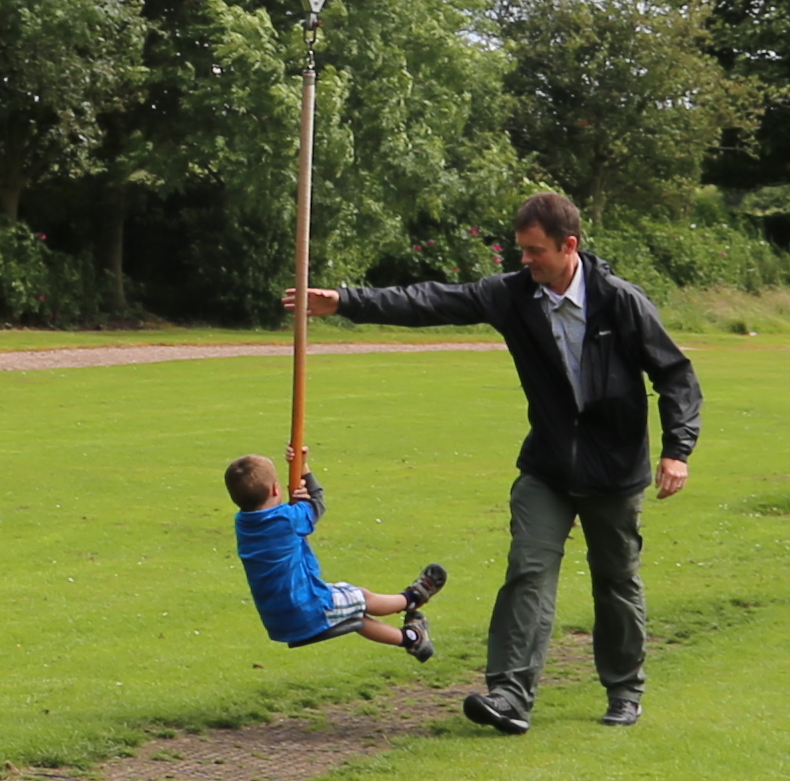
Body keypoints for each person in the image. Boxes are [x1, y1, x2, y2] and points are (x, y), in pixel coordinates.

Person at [290, 186, 702, 735]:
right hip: (548, 467)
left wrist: (678, 449)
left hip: (614, 471)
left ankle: (624, 690)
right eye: (521, 251)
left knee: (616, 580)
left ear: (569, 246)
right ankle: (509, 695)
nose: (525, 261)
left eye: (535, 251)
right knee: (528, 571)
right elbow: (433, 300)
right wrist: (345, 302)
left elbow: (675, 374)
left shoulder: (618, 300)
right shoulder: (513, 296)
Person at [226, 457, 441, 658]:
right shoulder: (287, 519)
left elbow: (286, 521)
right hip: (308, 608)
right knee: (363, 598)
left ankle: (413, 639)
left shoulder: (243, 523)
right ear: (275, 489)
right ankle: (412, 598)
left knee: (353, 613)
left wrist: (299, 502)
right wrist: (303, 467)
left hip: (279, 618)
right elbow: (317, 503)